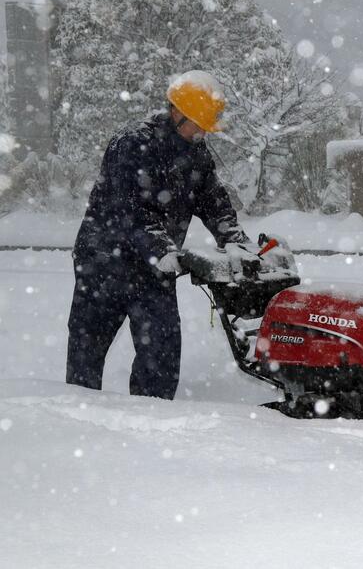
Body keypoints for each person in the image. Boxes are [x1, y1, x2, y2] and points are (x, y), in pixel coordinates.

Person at [66, 70, 249, 399]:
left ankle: (153, 422)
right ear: (177, 113)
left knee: (161, 352)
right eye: (198, 123)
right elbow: (128, 209)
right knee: (87, 350)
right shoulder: (132, 143)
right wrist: (163, 248)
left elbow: (214, 203)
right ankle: (79, 421)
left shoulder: (197, 152)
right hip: (104, 262)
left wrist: (236, 241)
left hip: (153, 268)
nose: (203, 132)